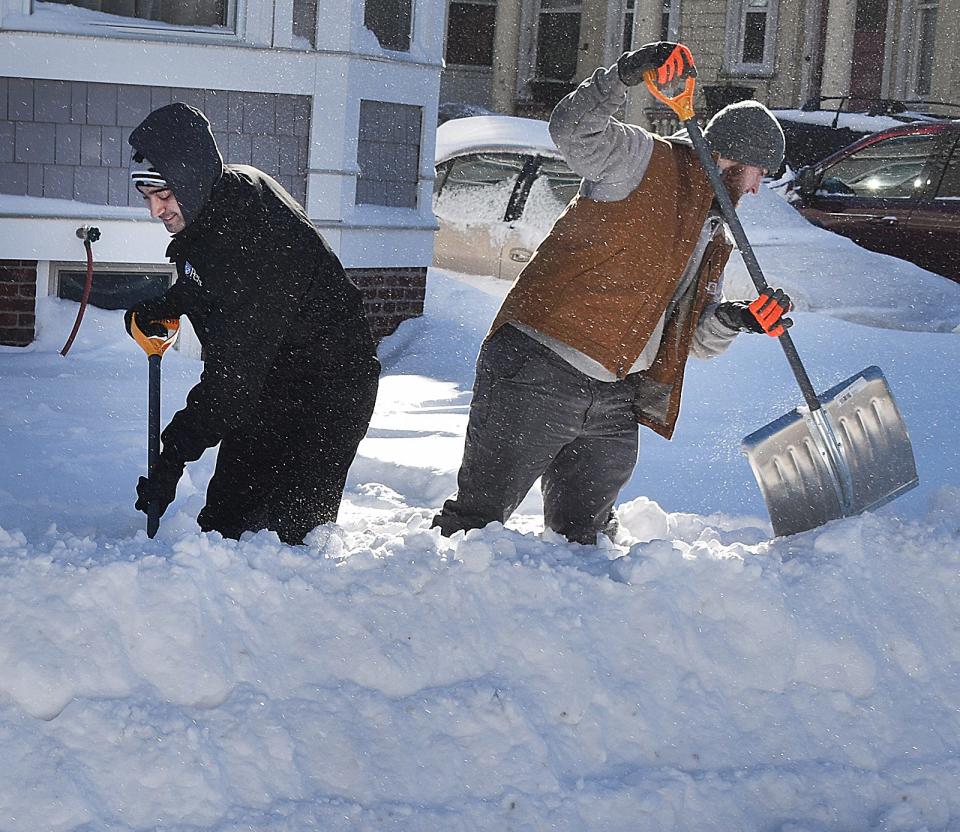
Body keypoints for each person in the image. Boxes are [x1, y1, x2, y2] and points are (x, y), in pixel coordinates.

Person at [433, 43, 793, 546]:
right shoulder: (643, 159)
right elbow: (571, 130)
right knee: (476, 524)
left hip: (617, 398)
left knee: (585, 540)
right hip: (539, 369)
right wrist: (624, 75)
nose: (756, 189)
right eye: (761, 173)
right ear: (739, 159)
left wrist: (735, 318)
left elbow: (691, 339)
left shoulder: (714, 234)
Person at [125, 102, 380, 544]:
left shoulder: (251, 243)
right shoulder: (223, 194)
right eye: (149, 198)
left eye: (163, 196)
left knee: (289, 542)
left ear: (189, 177)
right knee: (225, 525)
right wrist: (170, 301)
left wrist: (172, 456)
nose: (156, 211)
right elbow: (209, 276)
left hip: (329, 390)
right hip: (273, 377)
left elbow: (232, 382)